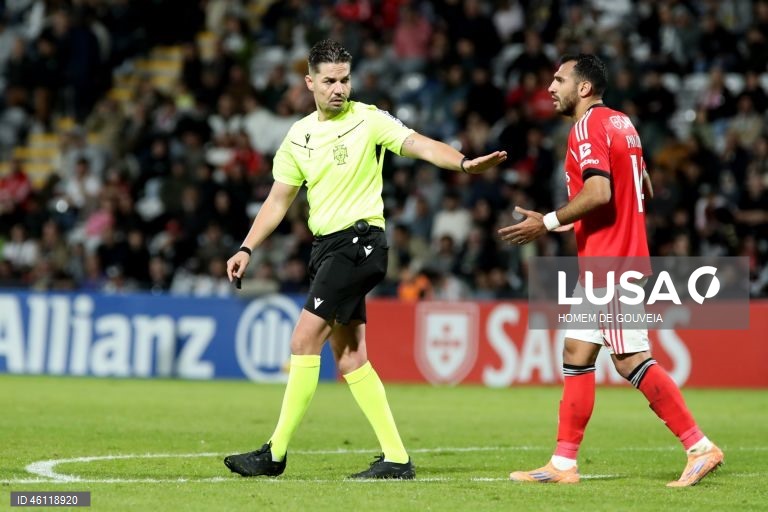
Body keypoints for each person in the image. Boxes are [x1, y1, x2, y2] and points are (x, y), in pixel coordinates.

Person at [223, 39, 507, 480]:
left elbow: (420, 144)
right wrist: (247, 247)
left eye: (345, 79)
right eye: (329, 81)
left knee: (303, 341)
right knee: (351, 356)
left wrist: (465, 164)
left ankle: (274, 453)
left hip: (359, 244)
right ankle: (396, 458)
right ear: (310, 82)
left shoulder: (369, 119)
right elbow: (278, 200)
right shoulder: (299, 136)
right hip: (326, 249)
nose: (339, 88)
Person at [498, 54, 723, 487]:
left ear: (583, 88)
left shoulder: (586, 127)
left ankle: (699, 447)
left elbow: (600, 191)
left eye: (559, 80)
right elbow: (640, 181)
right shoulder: (622, 122)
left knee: (629, 359)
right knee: (577, 352)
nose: (550, 88)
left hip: (612, 262)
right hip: (608, 258)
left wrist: (548, 222)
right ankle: (563, 464)